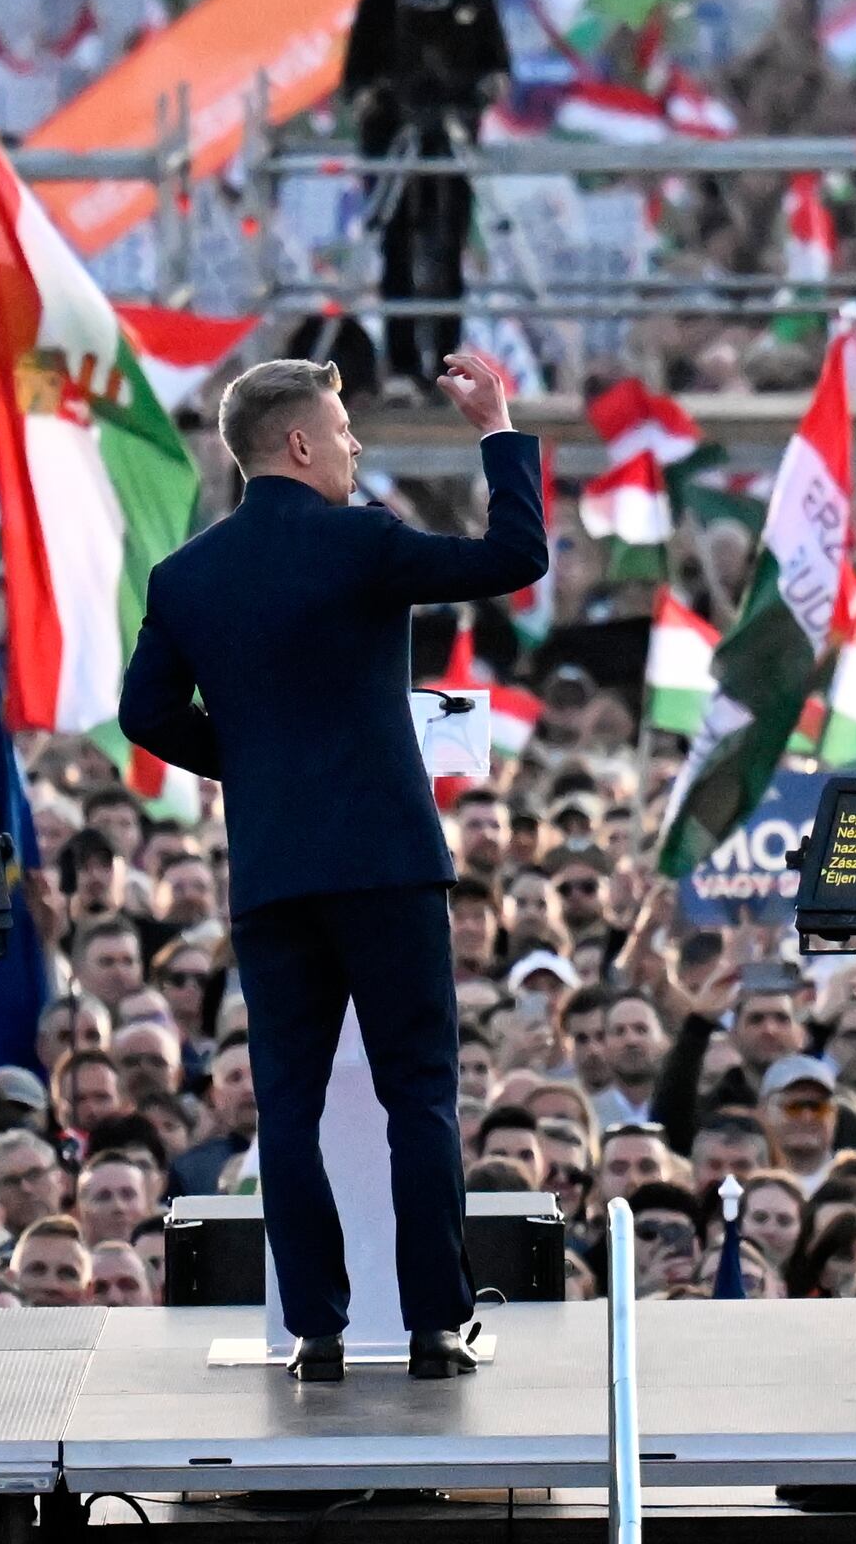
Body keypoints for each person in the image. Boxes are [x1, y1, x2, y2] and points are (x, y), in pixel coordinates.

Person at [119, 352, 546, 1381]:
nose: (356, 447)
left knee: (290, 1109)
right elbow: (515, 555)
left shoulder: (186, 577)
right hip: (388, 868)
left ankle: (316, 1330)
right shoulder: (365, 544)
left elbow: (145, 715)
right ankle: (437, 1325)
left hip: (275, 875)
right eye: (345, 430)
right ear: (300, 443)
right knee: (420, 1098)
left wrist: (257, 759)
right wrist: (496, 426)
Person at [337, 0, 511, 393]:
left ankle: (448, 361)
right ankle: (405, 364)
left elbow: (496, 67)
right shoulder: (380, 0)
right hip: (394, 140)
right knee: (396, 247)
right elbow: (357, 78)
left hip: (451, 141)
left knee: (449, 245)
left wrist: (476, 93)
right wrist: (376, 99)